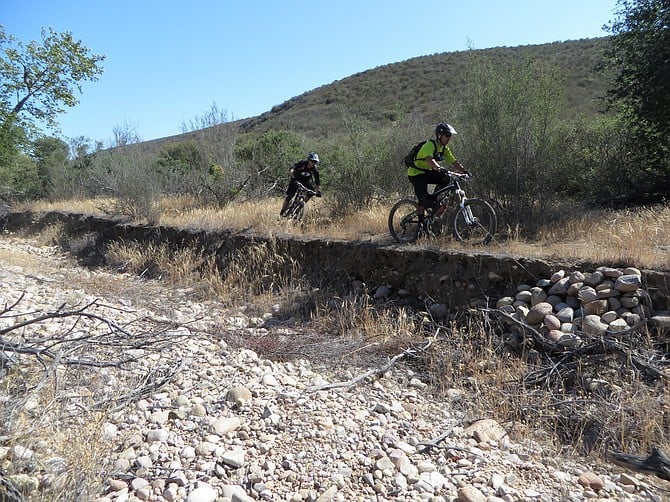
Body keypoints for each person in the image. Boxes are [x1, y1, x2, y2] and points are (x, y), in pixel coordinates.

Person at [406, 122, 469, 227]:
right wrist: (438, 168)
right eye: (447, 136)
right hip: (416, 173)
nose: (449, 138)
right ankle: (421, 227)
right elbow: (429, 159)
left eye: (450, 136)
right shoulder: (430, 145)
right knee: (423, 200)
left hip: (426, 172)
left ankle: (435, 201)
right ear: (440, 135)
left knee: (445, 178)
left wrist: (464, 171)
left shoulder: (444, 149)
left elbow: (454, 162)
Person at [280, 151, 322, 216]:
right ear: (308, 160)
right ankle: (282, 212)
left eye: (315, 162)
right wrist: (292, 172)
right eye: (312, 161)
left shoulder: (315, 170)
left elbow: (317, 182)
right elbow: (293, 167)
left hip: (305, 182)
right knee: (290, 196)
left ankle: (302, 203)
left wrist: (318, 191)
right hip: (296, 180)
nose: (314, 163)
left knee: (311, 191)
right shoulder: (302, 163)